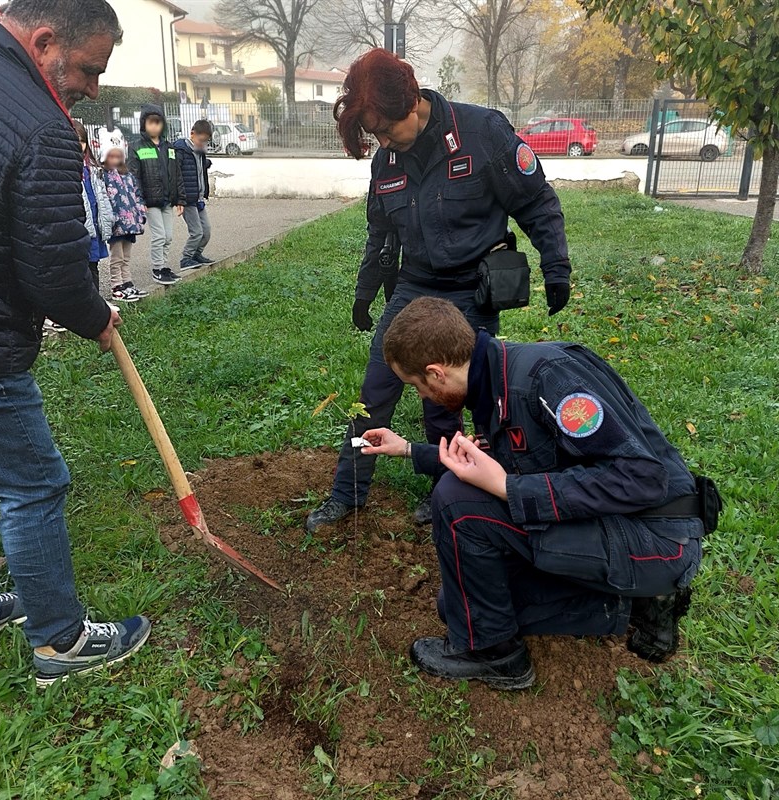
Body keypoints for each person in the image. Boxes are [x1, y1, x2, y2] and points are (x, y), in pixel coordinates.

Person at [361, 298, 719, 689]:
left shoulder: (544, 379)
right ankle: (635, 603)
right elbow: (508, 459)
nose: (423, 397)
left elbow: (642, 478)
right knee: (457, 606)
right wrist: (411, 449)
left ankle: (497, 655)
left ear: (436, 372)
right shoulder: (494, 379)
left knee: (455, 501)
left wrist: (509, 488)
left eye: (417, 386)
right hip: (621, 527)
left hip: (658, 540)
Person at [306, 49, 572, 533]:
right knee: (375, 390)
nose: (384, 141)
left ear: (410, 102)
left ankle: (445, 490)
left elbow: (536, 202)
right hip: (416, 286)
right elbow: (381, 236)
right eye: (374, 134)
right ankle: (348, 492)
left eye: (386, 128)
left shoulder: (482, 133)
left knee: (447, 398)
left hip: (474, 290)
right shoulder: (387, 160)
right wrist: (365, 294)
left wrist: (557, 268)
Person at [0, 0, 151, 685]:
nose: (93, 88)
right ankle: (61, 641)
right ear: (44, 40)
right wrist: (94, 315)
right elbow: (52, 268)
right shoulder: (41, 123)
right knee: (33, 483)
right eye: (88, 69)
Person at [128, 105, 186, 286]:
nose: (154, 127)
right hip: (150, 201)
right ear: (144, 124)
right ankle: (157, 269)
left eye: (158, 123)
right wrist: (139, 199)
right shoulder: (136, 147)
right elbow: (133, 176)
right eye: (150, 123)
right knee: (159, 235)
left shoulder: (169, 147)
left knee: (168, 236)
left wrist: (180, 199)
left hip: (167, 200)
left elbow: (176, 174)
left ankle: (164, 267)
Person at [100, 140, 148, 303]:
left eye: (118, 155)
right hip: (116, 224)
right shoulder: (103, 176)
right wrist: (110, 218)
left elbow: (136, 194)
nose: (115, 159)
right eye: (111, 155)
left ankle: (127, 282)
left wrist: (140, 212)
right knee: (117, 256)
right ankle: (116, 285)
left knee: (126, 256)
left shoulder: (127, 176)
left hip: (130, 223)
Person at [73, 119, 113, 292]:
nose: (79, 146)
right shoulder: (67, 169)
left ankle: (97, 306)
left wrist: (108, 218)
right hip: (81, 229)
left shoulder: (93, 168)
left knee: (93, 265)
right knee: (80, 270)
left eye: (82, 141)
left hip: (95, 226)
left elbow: (102, 196)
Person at [173, 119, 215, 271]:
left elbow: (197, 170)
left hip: (198, 197)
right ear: (192, 134)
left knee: (207, 231)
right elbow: (177, 174)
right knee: (196, 232)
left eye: (205, 141)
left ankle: (197, 254)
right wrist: (179, 199)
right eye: (201, 140)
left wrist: (206, 163)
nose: (202, 143)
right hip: (187, 199)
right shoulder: (180, 149)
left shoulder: (200, 151)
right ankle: (186, 258)